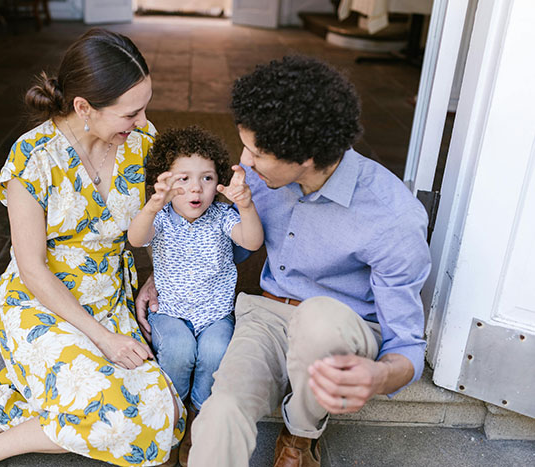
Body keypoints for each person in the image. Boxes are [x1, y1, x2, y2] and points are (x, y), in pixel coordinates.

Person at [0, 29, 185, 467]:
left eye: (144, 107)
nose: (143, 120)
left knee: (161, 414)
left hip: (109, 298)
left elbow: (163, 218)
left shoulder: (141, 142)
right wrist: (104, 339)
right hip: (42, 302)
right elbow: (32, 268)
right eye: (131, 112)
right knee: (116, 415)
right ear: (83, 107)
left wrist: (153, 276)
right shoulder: (33, 159)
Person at [135, 55, 432, 467]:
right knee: (220, 413)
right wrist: (164, 274)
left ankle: (299, 438)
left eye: (256, 152)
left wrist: (379, 376)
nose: (245, 160)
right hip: (266, 316)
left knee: (317, 319)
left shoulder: (391, 216)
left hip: (344, 325)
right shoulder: (259, 179)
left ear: (305, 158)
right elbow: (223, 246)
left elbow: (407, 344)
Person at [127, 126, 264, 465]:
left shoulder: (221, 218)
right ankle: (171, 420)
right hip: (170, 310)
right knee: (178, 349)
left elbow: (252, 243)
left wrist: (246, 207)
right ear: (165, 182)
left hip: (215, 313)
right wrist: (150, 207)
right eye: (183, 179)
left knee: (215, 352)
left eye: (206, 178)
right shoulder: (160, 218)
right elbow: (136, 238)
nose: (195, 188)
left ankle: (198, 421)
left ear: (218, 183)